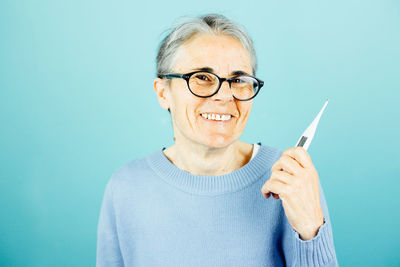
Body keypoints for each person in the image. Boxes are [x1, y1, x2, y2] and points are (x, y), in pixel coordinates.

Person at [96, 13, 339, 267]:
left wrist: (311, 229)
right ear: (163, 92)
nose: (224, 96)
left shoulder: (291, 179)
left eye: (239, 80)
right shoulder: (126, 188)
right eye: (202, 77)